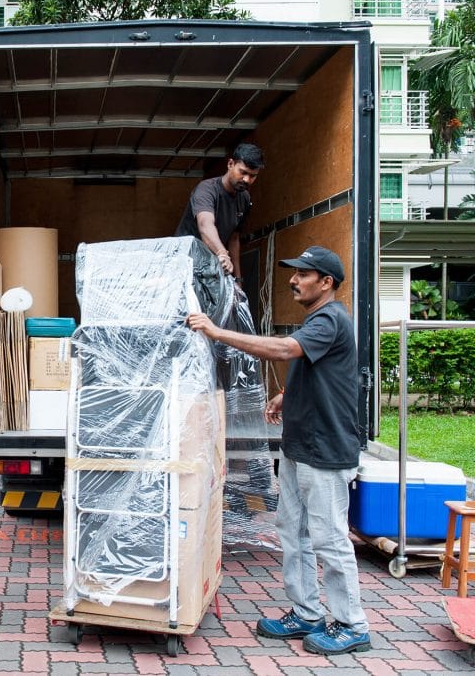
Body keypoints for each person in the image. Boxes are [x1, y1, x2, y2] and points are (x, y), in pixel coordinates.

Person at [186, 245, 371, 656]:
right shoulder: (317, 320)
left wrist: (217, 332)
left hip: (325, 451)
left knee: (329, 539)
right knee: (293, 531)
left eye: (303, 274)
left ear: (326, 282)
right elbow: (322, 371)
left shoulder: (330, 318)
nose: (293, 280)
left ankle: (352, 624)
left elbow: (286, 350)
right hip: (299, 446)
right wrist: (287, 395)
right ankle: (306, 613)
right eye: (294, 272)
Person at [174, 143, 264, 280]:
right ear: (230, 164)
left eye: (253, 176)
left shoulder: (244, 198)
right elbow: (205, 225)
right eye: (243, 172)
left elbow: (234, 238)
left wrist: (237, 278)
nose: (247, 179)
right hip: (184, 264)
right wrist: (221, 253)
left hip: (211, 267)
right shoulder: (206, 189)